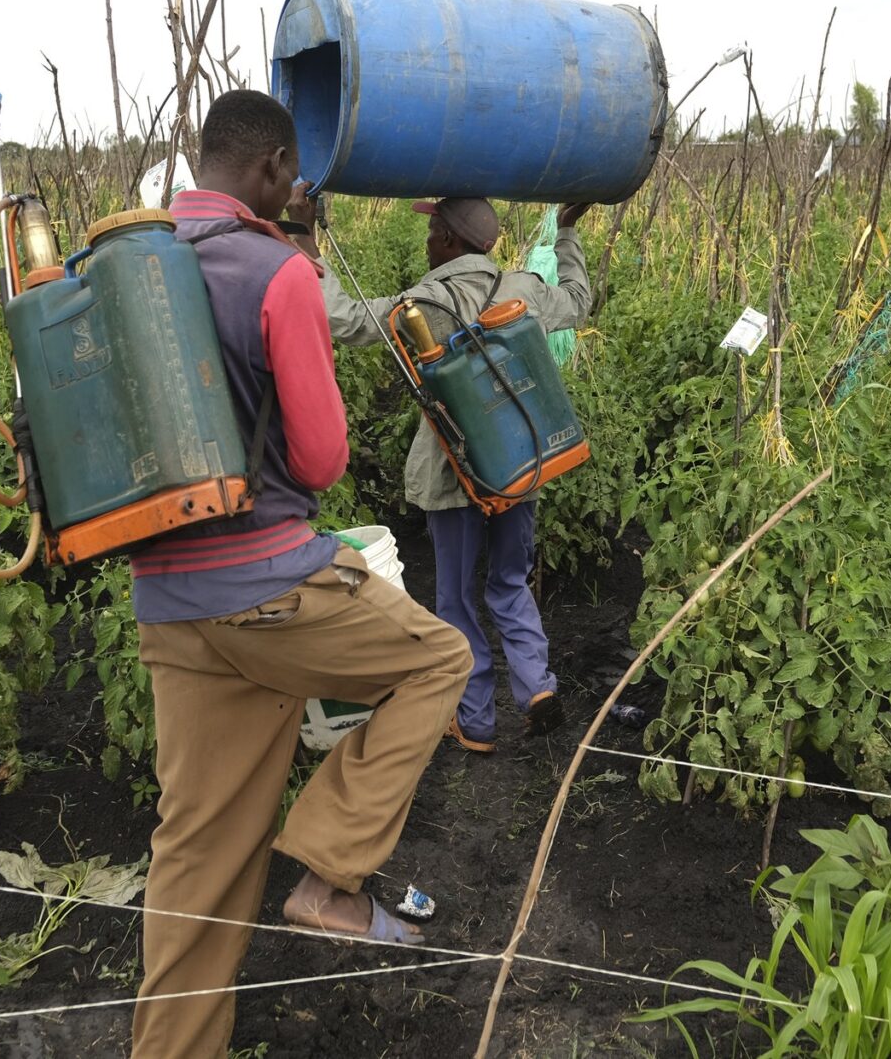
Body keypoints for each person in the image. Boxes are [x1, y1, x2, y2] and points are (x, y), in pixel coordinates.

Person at [129, 90, 472, 1058]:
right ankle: (330, 875)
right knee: (436, 660)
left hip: (168, 606)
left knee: (195, 867)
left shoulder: (137, 267)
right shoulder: (274, 274)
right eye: (293, 176)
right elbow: (321, 462)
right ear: (275, 171)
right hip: (269, 591)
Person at [294, 190, 593, 754]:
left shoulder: (423, 303)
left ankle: (475, 721)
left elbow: (345, 318)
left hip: (452, 473)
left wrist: (307, 239)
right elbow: (578, 300)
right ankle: (536, 689)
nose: (427, 240)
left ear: (451, 240)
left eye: (433, 232)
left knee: (455, 597)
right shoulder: (524, 289)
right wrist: (569, 232)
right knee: (509, 581)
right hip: (517, 464)